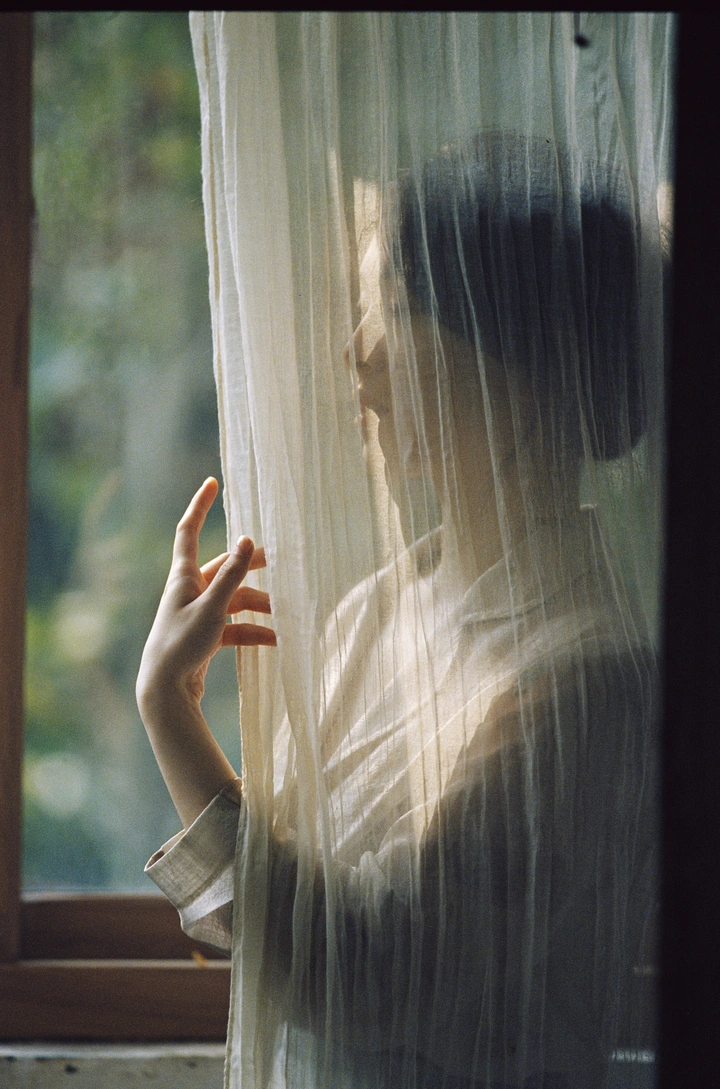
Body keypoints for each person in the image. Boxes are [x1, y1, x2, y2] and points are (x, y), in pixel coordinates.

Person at [137, 134, 658, 1089]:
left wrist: (169, 712)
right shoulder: (376, 608)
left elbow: (372, 975)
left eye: (399, 307)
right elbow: (277, 909)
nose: (357, 350)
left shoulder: (587, 677)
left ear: (515, 353)